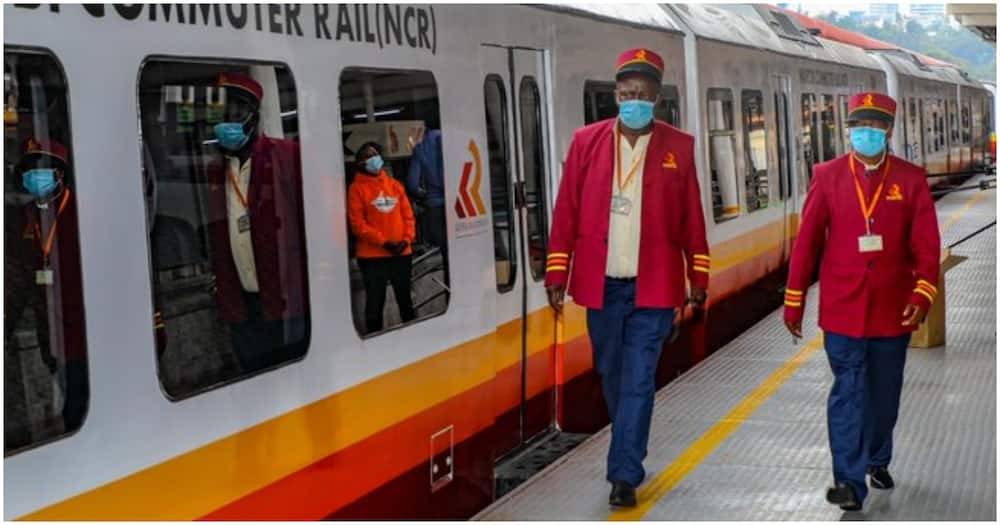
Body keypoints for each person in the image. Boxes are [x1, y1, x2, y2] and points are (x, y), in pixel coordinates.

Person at [544, 48, 710, 508]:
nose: (632, 100)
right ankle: (629, 445)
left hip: (653, 288)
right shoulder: (586, 142)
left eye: (641, 93)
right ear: (615, 96)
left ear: (657, 97)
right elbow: (566, 212)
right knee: (612, 375)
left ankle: (623, 474)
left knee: (638, 380)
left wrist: (698, 277)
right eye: (625, 93)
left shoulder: (679, 147)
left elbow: (691, 219)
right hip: (603, 286)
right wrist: (558, 269)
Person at [783, 92, 941, 511]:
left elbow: (927, 246)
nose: (864, 134)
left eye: (873, 127)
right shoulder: (828, 175)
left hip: (893, 309)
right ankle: (849, 482)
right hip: (843, 309)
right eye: (857, 127)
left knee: (884, 393)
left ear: (888, 131)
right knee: (847, 391)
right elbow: (808, 242)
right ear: (848, 131)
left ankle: (877, 457)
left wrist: (923, 293)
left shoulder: (910, 179)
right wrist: (794, 299)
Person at [207, 72, 309, 373]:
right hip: (242, 304)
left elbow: (310, 222)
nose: (226, 121)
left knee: (294, 378)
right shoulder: (216, 172)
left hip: (285, 299)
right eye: (221, 114)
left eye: (235, 112)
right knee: (254, 377)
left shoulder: (286, 156)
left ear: (253, 117)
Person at [4, 138, 88, 438]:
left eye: (43, 168)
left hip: (86, 333)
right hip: (51, 337)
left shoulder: (82, 213)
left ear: (60, 174)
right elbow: (12, 280)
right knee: (70, 406)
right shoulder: (20, 221)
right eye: (29, 170)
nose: (35, 176)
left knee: (81, 405)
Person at [348, 141, 418, 333]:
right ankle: (373, 343)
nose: (374, 158)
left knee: (406, 302)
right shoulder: (356, 189)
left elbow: (408, 216)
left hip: (402, 253)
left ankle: (414, 339)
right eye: (369, 156)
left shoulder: (395, 186)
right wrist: (384, 242)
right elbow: (358, 225)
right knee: (374, 304)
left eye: (376, 154)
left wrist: (406, 239)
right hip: (372, 257)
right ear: (361, 163)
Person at [406, 128, 447, 261]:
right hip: (458, 203)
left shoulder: (421, 148)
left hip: (434, 205)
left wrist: (422, 194)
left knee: (445, 248)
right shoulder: (451, 142)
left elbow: (413, 183)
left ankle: (449, 279)